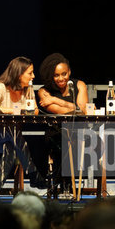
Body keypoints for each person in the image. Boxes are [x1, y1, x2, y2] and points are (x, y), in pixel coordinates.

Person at [0, 56, 45, 198]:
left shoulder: (27, 90)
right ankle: (33, 172)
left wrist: (22, 110)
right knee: (12, 130)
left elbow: (34, 111)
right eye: (30, 73)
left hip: (7, 137)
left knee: (11, 146)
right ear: (18, 74)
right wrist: (14, 111)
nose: (33, 76)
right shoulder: (0, 86)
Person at [37, 53, 89, 195]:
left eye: (64, 74)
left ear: (69, 72)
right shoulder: (43, 91)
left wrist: (56, 100)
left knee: (73, 141)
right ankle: (67, 184)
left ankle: (61, 182)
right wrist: (73, 107)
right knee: (64, 141)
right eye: (56, 75)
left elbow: (82, 111)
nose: (61, 78)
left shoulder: (79, 85)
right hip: (56, 132)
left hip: (79, 131)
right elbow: (58, 112)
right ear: (50, 76)